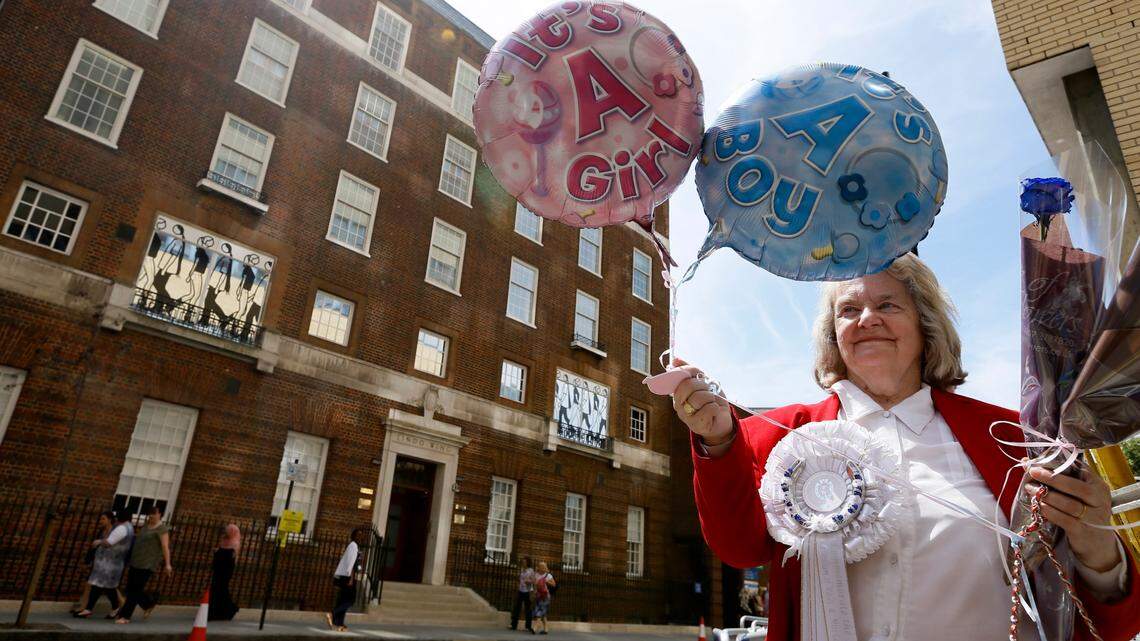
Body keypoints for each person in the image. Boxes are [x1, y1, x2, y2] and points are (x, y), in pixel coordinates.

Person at [672, 254, 1140, 641]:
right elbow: (738, 549)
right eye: (848, 310)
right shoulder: (780, 432)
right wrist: (716, 438)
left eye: (889, 305)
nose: (867, 319)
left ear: (925, 323)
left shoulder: (1015, 435)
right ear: (833, 334)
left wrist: (1099, 546)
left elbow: (1109, 622)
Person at [115, 505, 172, 624]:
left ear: (160, 514)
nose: (151, 515)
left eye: (154, 513)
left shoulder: (162, 529)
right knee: (131, 588)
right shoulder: (146, 526)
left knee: (135, 589)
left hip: (148, 563)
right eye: (150, 513)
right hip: (136, 560)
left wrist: (167, 564)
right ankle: (148, 603)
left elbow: (165, 547)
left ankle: (125, 616)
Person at [74, 510, 132, 618]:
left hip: (110, 563)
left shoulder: (122, 528)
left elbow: (109, 542)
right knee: (103, 586)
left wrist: (99, 542)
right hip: (107, 562)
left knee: (103, 585)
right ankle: (95, 608)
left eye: (103, 518)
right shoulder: (126, 528)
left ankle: (90, 609)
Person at [326, 528, 365, 632]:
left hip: (346, 577)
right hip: (348, 577)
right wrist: (351, 579)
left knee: (342, 600)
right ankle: (332, 613)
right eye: (358, 535)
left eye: (361, 535)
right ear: (353, 536)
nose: (360, 537)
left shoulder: (354, 546)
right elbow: (350, 563)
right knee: (350, 600)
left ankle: (339, 623)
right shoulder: (353, 546)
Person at [208, 523, 240, 621]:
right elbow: (220, 551)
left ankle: (227, 610)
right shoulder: (224, 540)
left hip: (225, 570)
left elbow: (232, 558)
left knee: (221, 588)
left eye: (228, 530)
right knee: (217, 588)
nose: (226, 532)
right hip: (218, 569)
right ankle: (224, 610)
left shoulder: (235, 543)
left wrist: (220, 552)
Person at [509, 556, 535, 632]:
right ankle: (514, 625)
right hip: (520, 591)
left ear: (528, 562)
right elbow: (520, 579)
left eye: (524, 562)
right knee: (516, 608)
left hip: (527, 591)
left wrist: (529, 581)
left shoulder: (531, 571)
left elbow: (533, 581)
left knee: (528, 609)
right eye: (522, 562)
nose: (523, 563)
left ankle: (528, 626)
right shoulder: (522, 570)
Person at [531, 561, 555, 635]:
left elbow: (554, 584)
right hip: (539, 596)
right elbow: (534, 585)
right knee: (543, 613)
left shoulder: (548, 575)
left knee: (540, 610)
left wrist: (547, 582)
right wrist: (534, 593)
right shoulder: (536, 575)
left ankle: (535, 627)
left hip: (546, 596)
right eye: (541, 566)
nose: (542, 568)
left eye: (544, 567)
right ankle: (546, 629)